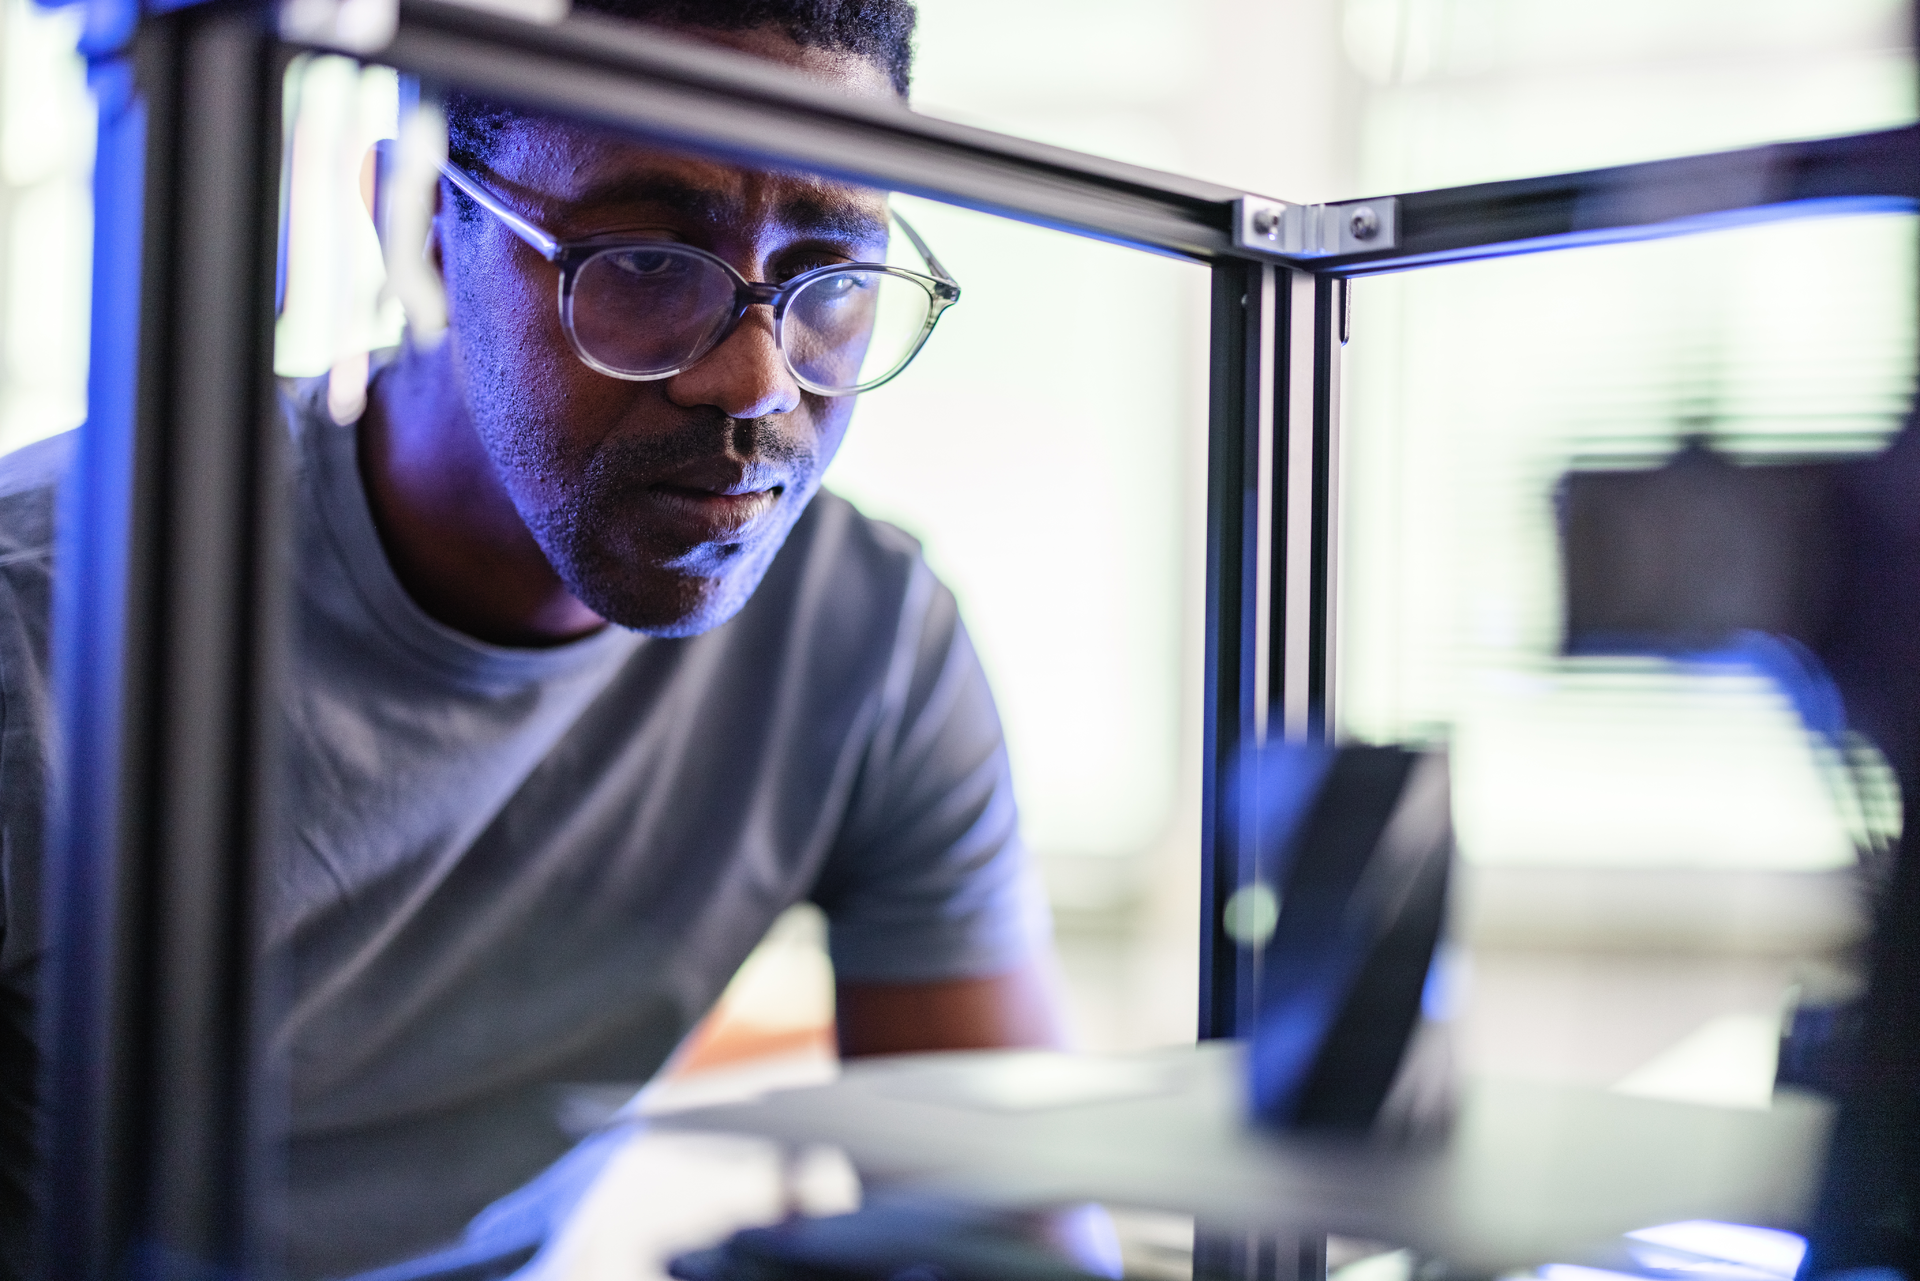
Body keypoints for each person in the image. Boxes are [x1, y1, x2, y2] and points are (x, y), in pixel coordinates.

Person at [0, 1, 1065, 1276]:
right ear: (424, 232)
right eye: (649, 264)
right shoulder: (47, 626)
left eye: (832, 278)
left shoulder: (870, 647)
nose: (758, 380)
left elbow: (1008, 1228)